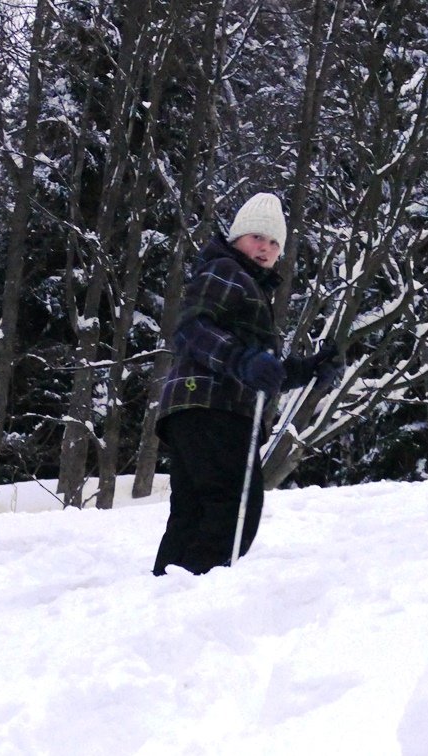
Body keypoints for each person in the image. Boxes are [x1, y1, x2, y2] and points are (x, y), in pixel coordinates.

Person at [152, 193, 341, 576]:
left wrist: (306, 371)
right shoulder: (226, 271)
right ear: (237, 237)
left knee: (194, 510)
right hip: (214, 407)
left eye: (274, 243)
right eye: (257, 237)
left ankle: (166, 591)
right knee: (235, 506)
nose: (265, 248)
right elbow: (192, 328)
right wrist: (243, 360)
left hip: (197, 408)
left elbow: (256, 369)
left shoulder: (246, 284)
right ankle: (196, 591)